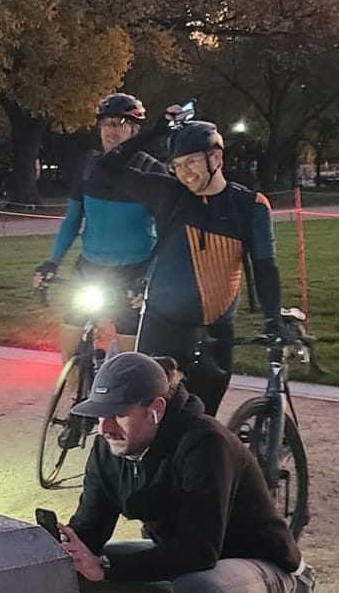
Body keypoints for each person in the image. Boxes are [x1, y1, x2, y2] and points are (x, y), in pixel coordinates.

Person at [53, 351, 313, 593]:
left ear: (156, 410)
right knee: (67, 574)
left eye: (118, 414)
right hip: (190, 563)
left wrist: (106, 566)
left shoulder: (205, 443)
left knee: (198, 590)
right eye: (99, 414)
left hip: (267, 568)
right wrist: (61, 550)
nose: (104, 427)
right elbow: (90, 532)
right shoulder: (108, 449)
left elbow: (198, 550)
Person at [86, 107, 283, 420]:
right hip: (162, 328)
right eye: (177, 166)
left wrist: (274, 320)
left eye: (191, 162)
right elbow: (102, 173)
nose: (185, 173)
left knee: (201, 423)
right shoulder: (168, 193)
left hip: (217, 334)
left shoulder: (251, 206)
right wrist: (155, 131)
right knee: (149, 421)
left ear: (215, 158)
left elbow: (265, 269)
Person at [36, 93, 157, 356]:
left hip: (132, 270)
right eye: (105, 124)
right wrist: (52, 262)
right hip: (89, 268)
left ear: (135, 129)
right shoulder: (88, 165)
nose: (110, 131)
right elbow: (72, 220)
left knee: (129, 363)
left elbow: (167, 234)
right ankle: (76, 381)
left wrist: (147, 278)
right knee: (69, 351)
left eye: (118, 124)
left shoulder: (151, 170)